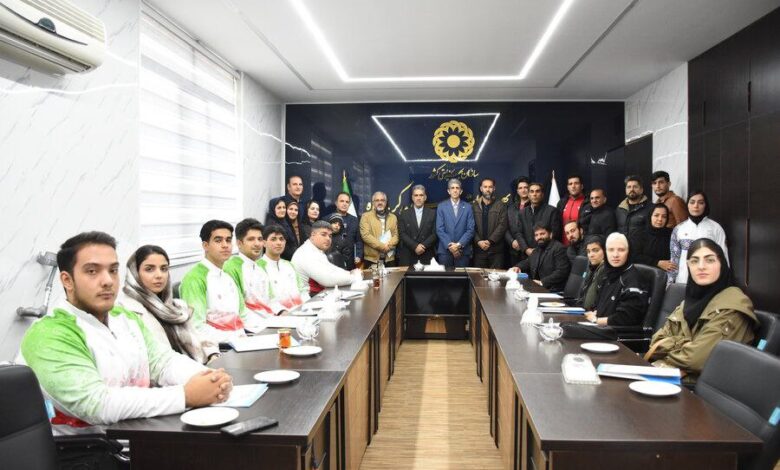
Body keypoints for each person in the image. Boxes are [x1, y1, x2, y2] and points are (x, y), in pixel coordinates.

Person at [18, 232, 232, 426]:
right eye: (92, 271)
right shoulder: (50, 333)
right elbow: (96, 405)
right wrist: (185, 395)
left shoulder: (123, 317)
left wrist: (210, 379)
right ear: (67, 280)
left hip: (144, 432)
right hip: (92, 449)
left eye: (113, 270)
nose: (107, 281)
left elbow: (162, 362)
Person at [646, 239, 757, 385]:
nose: (701, 266)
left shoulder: (732, 305)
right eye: (694, 261)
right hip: (669, 376)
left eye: (710, 260)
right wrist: (688, 345)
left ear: (722, 264)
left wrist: (671, 348)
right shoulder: (688, 302)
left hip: (700, 389)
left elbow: (695, 360)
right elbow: (655, 343)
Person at [118, 245, 219, 364]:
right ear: (134, 273)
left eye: (164, 269)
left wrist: (212, 354)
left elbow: (197, 337)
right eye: (149, 269)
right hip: (168, 373)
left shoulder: (177, 307)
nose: (159, 275)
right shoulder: (126, 311)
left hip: (198, 367)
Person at [179, 220, 247, 343]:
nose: (225, 245)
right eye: (218, 240)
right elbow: (196, 327)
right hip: (219, 347)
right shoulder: (194, 278)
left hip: (242, 340)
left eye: (228, 240)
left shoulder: (228, 275)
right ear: (205, 246)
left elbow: (243, 314)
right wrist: (235, 338)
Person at [584, 233, 649, 326]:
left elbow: (627, 318)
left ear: (629, 252)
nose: (615, 255)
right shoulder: (606, 275)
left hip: (615, 332)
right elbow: (597, 305)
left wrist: (596, 321)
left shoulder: (634, 279)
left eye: (621, 250)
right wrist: (593, 314)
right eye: (611, 250)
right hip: (600, 327)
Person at [223, 218, 284, 316]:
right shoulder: (230, 268)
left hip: (271, 319)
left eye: (260, 239)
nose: (257, 244)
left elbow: (271, 299)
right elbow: (237, 309)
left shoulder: (260, 266)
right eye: (251, 239)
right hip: (252, 323)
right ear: (239, 243)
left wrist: (282, 312)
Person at [669, 191, 729, 284]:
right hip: (683, 280)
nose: (696, 206)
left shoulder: (715, 228)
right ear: (687, 205)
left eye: (700, 203)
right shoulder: (678, 229)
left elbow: (723, 256)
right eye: (692, 202)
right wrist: (670, 281)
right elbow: (674, 258)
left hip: (709, 281)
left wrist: (723, 280)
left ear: (705, 205)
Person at [255, 224, 310, 314]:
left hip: (302, 312)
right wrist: (280, 312)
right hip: (277, 316)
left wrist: (308, 306)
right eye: (273, 239)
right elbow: (261, 299)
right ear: (264, 243)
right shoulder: (257, 267)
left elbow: (303, 290)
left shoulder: (289, 265)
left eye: (281, 239)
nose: (279, 243)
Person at [292, 221, 358, 295]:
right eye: (323, 234)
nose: (328, 239)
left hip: (317, 295)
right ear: (313, 235)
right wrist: (355, 277)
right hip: (306, 299)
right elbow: (328, 279)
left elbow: (331, 269)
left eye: (330, 236)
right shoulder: (305, 253)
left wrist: (349, 273)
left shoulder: (315, 250)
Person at [514, 223, 570, 291]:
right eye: (536, 235)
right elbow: (528, 262)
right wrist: (518, 267)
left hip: (553, 290)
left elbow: (562, 272)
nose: (539, 237)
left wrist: (542, 282)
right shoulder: (538, 249)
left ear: (550, 234)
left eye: (542, 234)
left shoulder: (559, 248)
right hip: (538, 288)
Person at [435, 178, 475, 267]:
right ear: (448, 191)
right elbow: (439, 229)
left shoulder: (468, 207)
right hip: (445, 251)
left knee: (462, 276)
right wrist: (450, 246)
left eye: (457, 188)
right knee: (445, 276)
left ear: (461, 191)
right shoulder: (441, 206)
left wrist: (458, 245)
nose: (455, 190)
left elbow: (470, 229)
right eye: (452, 188)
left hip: (463, 251)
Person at [517, 182, 562, 259]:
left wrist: (539, 251)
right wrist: (526, 249)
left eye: (537, 191)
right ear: (528, 195)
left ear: (542, 194)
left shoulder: (552, 211)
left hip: (546, 255)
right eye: (532, 191)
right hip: (527, 255)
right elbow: (519, 233)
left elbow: (555, 234)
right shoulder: (522, 213)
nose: (534, 194)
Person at [397, 184, 437, 265]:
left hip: (427, 253)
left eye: (421, 195)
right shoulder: (404, 214)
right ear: (412, 197)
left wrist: (423, 246)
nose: (418, 198)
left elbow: (435, 233)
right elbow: (402, 233)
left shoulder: (433, 213)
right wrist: (415, 246)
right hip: (408, 254)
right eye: (416, 195)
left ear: (425, 197)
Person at [472, 177, 508, 268]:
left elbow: (502, 225)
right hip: (479, 250)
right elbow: (470, 226)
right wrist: (478, 241)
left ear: (494, 188)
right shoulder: (474, 206)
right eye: (485, 187)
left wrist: (490, 241)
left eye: (490, 187)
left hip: (496, 251)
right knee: (479, 276)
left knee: (496, 276)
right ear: (481, 189)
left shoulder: (501, 205)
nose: (488, 189)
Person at [360, 191, 399, 267]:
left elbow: (396, 235)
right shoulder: (365, 216)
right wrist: (383, 246)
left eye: (382, 200)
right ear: (373, 203)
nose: (380, 202)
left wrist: (389, 245)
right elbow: (365, 235)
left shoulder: (393, 217)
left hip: (389, 258)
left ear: (386, 202)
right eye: (377, 200)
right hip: (372, 259)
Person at [632, 204, 675, 272]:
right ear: (650, 216)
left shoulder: (671, 234)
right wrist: (657, 263)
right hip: (643, 273)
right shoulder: (639, 234)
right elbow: (635, 256)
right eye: (656, 215)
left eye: (664, 216)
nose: (660, 219)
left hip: (666, 274)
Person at [616, 175, 653, 243]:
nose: (631, 189)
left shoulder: (650, 208)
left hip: (643, 249)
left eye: (635, 187)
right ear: (626, 190)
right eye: (629, 187)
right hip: (623, 248)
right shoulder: (619, 209)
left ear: (641, 190)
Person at [330, 191, 363, 268]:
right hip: (333, 261)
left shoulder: (355, 220)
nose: (344, 204)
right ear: (336, 203)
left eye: (347, 202)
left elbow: (358, 240)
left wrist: (358, 255)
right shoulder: (327, 218)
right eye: (342, 201)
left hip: (350, 261)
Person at [557, 174, 589, 246]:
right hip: (563, 246)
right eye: (570, 184)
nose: (573, 186)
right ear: (568, 187)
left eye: (576, 183)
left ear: (582, 186)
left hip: (581, 246)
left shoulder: (588, 203)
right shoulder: (561, 203)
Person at [576, 235, 606, 310]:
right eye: (588, 251)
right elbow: (582, 296)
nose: (591, 255)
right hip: (582, 311)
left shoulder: (604, 270)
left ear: (605, 251)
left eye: (595, 250)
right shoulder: (591, 268)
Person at [506, 176, 530, 265]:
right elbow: (505, 228)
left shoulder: (534, 206)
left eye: (526, 187)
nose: (523, 190)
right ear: (517, 191)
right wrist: (512, 241)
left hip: (529, 250)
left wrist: (524, 245)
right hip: (514, 249)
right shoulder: (511, 208)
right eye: (520, 188)